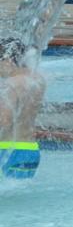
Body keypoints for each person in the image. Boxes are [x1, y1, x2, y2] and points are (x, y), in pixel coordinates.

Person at [1, 38, 44, 178]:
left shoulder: (12, 84)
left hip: (8, 149)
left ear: (7, 59)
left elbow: (4, 120)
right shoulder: (37, 79)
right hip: (30, 149)